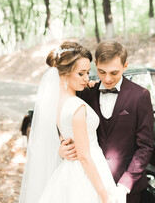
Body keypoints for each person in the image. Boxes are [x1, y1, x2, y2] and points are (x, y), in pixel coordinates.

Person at [19, 42, 118, 203]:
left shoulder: (56, 103)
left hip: (70, 170)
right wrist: (104, 196)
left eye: (87, 72)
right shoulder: (76, 107)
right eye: (81, 74)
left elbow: (63, 135)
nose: (86, 79)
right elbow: (85, 156)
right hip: (87, 171)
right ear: (64, 73)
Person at [59, 40, 154, 203]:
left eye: (114, 73)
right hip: (89, 183)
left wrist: (125, 185)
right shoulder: (85, 92)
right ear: (95, 64)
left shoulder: (140, 96)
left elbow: (145, 147)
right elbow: (65, 121)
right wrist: (61, 147)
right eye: (102, 72)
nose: (107, 78)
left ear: (125, 66)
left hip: (127, 190)